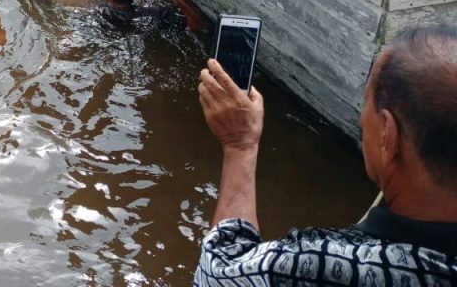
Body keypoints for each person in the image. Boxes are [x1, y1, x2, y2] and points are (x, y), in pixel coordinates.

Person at [195, 28, 457, 285]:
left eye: (367, 103)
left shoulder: (330, 265)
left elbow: (217, 273)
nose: (362, 118)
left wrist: (239, 145)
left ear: (387, 135)